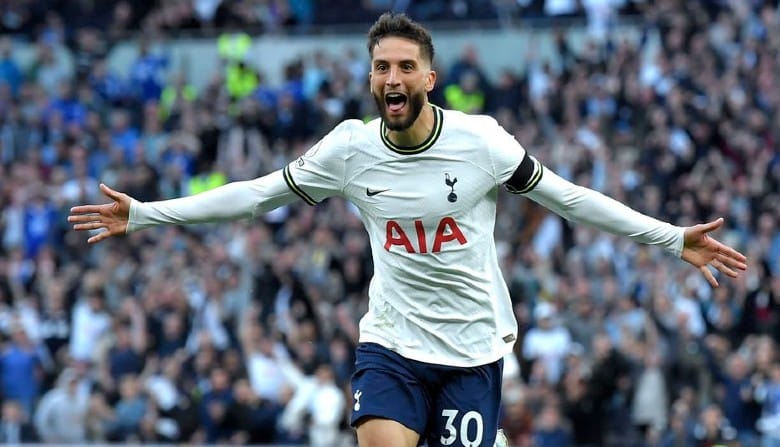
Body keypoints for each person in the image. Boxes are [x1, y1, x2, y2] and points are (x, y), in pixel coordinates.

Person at [68, 12, 747, 447]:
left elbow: (569, 199)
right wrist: (147, 213)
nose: (390, 78)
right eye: (380, 67)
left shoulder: (481, 141)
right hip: (391, 340)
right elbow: (257, 196)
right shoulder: (349, 149)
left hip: (473, 347)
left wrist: (669, 236)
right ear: (371, 78)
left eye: (402, 67)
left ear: (428, 76)